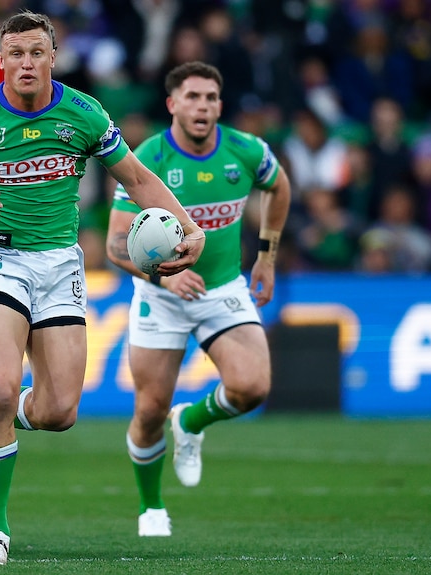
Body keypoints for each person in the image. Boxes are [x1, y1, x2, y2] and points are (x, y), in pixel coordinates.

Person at [0, 11, 205, 565]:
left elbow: (138, 179)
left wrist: (189, 225)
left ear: (53, 56)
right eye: (15, 53)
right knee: (3, 388)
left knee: (58, 411)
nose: (26, 63)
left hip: (60, 266)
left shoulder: (83, 113)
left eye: (36, 53)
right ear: (0, 58)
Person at [105, 61, 291, 537]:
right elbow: (113, 245)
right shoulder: (148, 158)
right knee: (148, 412)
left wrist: (266, 257)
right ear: (172, 104)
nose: (202, 106)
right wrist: (165, 281)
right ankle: (152, 508)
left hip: (222, 287)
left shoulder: (244, 150)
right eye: (192, 97)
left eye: (210, 97)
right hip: (160, 295)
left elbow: (279, 186)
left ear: (220, 105)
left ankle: (191, 420)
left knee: (253, 387)